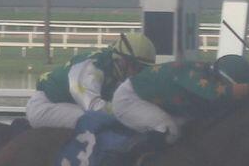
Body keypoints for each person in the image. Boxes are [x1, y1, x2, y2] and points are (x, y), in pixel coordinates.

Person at [111, 54, 249, 145]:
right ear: (220, 78)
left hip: (152, 100)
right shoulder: (195, 77)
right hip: (129, 99)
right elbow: (217, 93)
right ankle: (127, 159)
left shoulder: (209, 74)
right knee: (169, 130)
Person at [25, 32, 156, 129]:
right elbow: (94, 107)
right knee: (94, 120)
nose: (138, 73)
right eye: (137, 68)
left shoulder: (114, 70)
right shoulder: (91, 69)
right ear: (121, 60)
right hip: (44, 107)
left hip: (69, 105)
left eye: (143, 69)